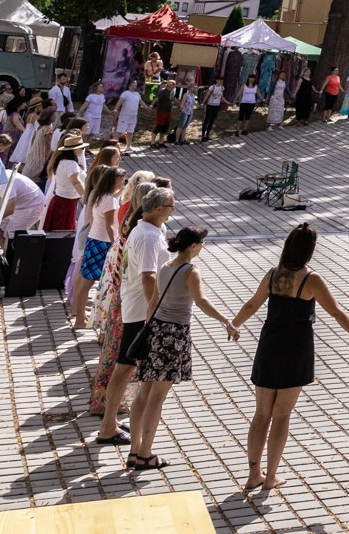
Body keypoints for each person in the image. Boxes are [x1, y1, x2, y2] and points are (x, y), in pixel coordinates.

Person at [228, 222, 349, 491]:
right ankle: (271, 477)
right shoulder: (311, 279)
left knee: (261, 414)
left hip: (269, 345)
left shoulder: (272, 275)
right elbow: (336, 311)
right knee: (281, 415)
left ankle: (252, 473)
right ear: (310, 250)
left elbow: (251, 304)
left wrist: (234, 324)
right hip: (295, 348)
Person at [125, 226, 235, 473]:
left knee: (144, 392)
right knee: (157, 397)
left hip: (155, 330)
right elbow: (202, 301)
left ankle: (134, 450)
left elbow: (153, 302)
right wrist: (226, 321)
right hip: (174, 334)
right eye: (202, 243)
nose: (203, 247)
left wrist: (149, 330)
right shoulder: (191, 271)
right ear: (194, 246)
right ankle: (145, 455)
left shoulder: (165, 267)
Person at [95, 185, 175, 447]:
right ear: (158, 209)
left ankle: (113, 422)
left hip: (136, 306)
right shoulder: (149, 236)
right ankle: (108, 426)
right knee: (125, 366)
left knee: (127, 365)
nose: (174, 210)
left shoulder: (144, 229)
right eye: (171, 206)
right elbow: (148, 276)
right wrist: (156, 310)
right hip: (141, 310)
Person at [71, 165, 126, 329]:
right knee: (88, 282)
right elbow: (110, 226)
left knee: (85, 280)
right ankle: (80, 321)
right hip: (102, 243)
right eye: (120, 179)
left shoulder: (99, 194)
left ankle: (79, 316)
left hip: (93, 239)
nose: (123, 181)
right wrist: (116, 244)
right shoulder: (109, 199)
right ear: (112, 180)